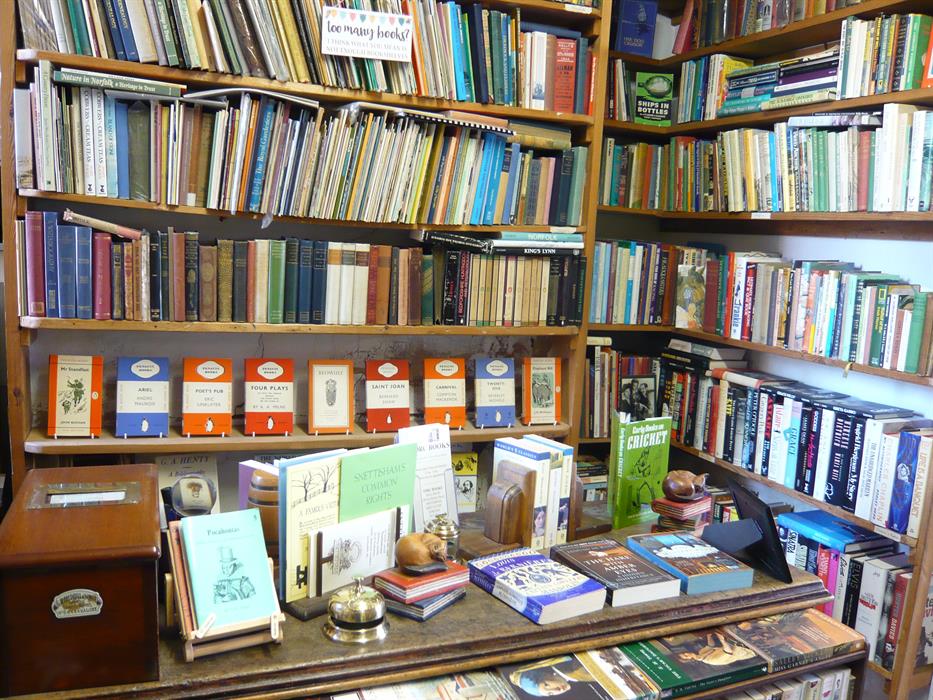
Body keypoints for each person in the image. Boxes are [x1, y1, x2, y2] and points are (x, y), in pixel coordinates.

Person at [508, 656, 593, 697]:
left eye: (546, 685)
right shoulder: (575, 676)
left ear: (545, 674)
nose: (557, 690)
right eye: (550, 693)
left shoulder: (577, 668)